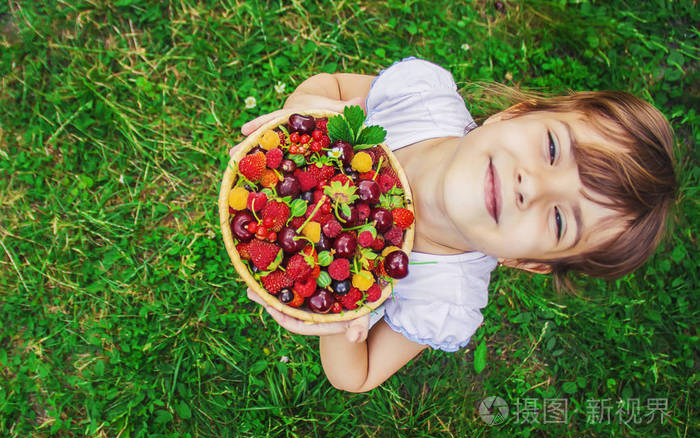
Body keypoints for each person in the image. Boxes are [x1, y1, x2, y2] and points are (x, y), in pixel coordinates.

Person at [231, 57, 677, 393]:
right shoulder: (422, 97)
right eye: (552, 149)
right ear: (514, 113)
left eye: (559, 219)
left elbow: (358, 375)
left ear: (526, 261)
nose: (532, 186)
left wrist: (339, 318)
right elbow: (328, 85)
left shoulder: (444, 302)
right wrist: (305, 111)